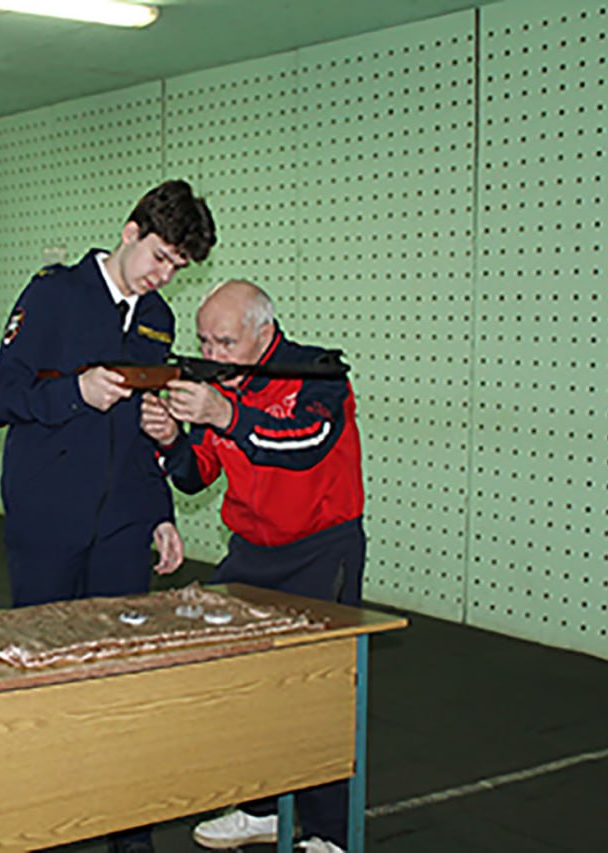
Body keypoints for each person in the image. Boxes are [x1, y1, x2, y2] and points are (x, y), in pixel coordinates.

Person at [0, 179, 215, 853]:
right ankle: (39, 822)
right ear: (130, 232)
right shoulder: (54, 294)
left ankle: (129, 833)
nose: (163, 276)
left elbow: (144, 429)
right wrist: (74, 394)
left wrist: (160, 510)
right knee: (43, 678)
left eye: (177, 267)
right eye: (160, 257)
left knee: (123, 679)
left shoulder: (157, 318)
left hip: (122, 526)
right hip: (48, 518)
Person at [140, 280, 364, 853]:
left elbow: (304, 443)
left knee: (319, 696)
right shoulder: (216, 383)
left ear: (264, 335)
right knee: (237, 686)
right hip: (249, 552)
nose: (211, 354)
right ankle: (262, 807)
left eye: (225, 342)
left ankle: (328, 834)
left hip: (320, 551)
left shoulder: (318, 374)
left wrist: (226, 414)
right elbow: (197, 474)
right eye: (203, 342)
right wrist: (171, 441)